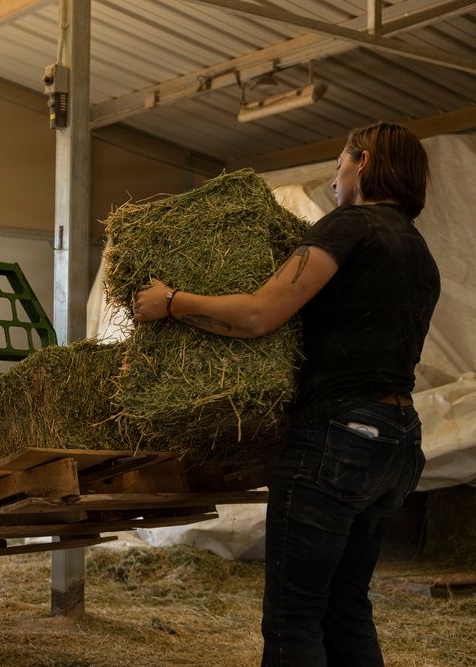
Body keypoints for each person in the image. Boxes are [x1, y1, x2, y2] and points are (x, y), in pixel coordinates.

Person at [131, 121, 440, 666]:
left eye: (341, 162)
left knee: (293, 621)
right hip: (398, 443)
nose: (335, 174)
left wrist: (172, 301)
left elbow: (259, 314)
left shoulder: (350, 227)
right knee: (347, 609)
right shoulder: (419, 253)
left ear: (363, 162)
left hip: (338, 440)